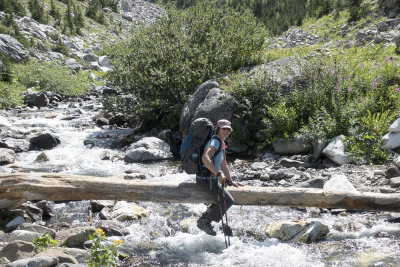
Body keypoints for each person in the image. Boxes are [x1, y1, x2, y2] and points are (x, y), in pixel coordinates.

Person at [196, 119, 244, 236]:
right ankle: (204, 221)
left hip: (211, 180)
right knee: (228, 200)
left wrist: (230, 181)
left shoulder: (221, 144)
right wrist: (218, 175)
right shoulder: (215, 142)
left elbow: (224, 164)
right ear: (218, 129)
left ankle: (206, 217)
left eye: (228, 129)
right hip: (206, 180)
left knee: (220, 199)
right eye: (224, 129)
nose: (226, 131)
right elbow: (205, 158)